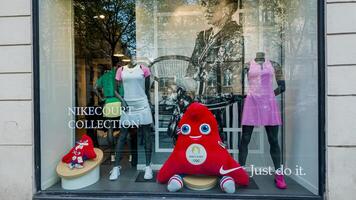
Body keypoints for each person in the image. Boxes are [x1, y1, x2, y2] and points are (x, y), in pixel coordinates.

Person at [186, 0, 244, 140]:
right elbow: (191, 68)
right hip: (201, 100)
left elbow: (233, 70)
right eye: (205, 4)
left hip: (223, 102)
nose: (207, 9)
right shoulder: (202, 36)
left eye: (214, 3)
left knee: (218, 142)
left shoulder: (235, 34)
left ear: (228, 9)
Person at [109, 60, 154, 181]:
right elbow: (115, 90)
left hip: (142, 104)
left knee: (147, 135)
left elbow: (147, 91)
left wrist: (149, 105)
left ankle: (148, 166)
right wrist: (123, 101)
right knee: (122, 136)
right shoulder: (121, 70)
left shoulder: (144, 69)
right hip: (127, 104)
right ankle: (116, 167)